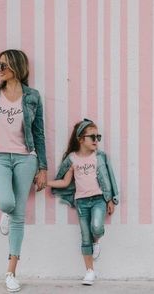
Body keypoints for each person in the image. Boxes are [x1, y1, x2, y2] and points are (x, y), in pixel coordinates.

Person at [0, 49, 47, 292]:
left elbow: (38, 134)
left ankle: (10, 271)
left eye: (4, 65)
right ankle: (5, 211)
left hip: (26, 158)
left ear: (17, 67)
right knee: (7, 203)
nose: (0, 69)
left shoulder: (33, 97)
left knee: (18, 215)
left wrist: (43, 168)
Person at [47, 118, 118, 285]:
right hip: (81, 202)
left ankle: (97, 241)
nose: (96, 140)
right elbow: (64, 182)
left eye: (98, 137)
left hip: (99, 199)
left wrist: (112, 199)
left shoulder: (100, 157)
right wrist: (46, 182)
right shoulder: (72, 159)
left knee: (97, 228)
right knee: (85, 236)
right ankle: (90, 271)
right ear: (80, 139)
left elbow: (111, 178)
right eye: (92, 137)